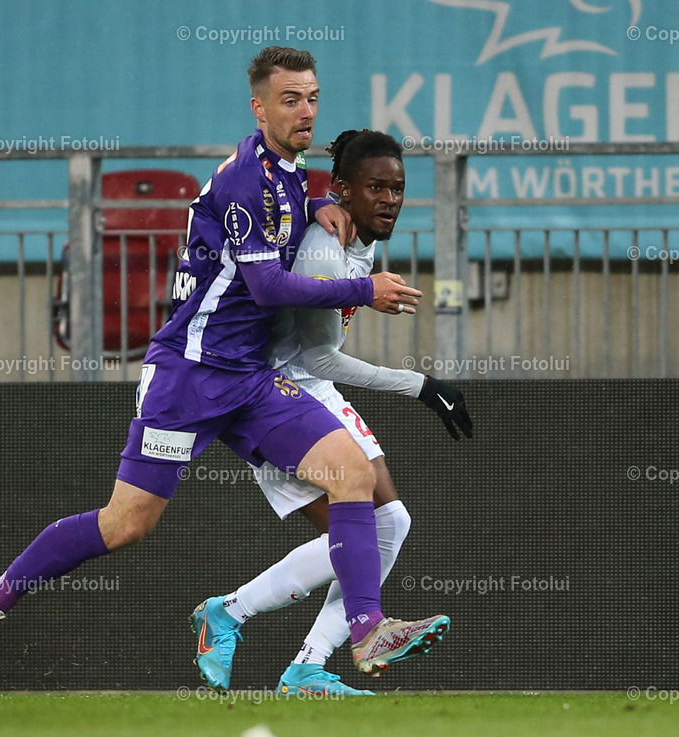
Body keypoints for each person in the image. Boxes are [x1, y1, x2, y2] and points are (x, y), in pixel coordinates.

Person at [0, 46, 448, 679]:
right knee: (125, 525)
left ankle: (368, 630)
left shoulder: (289, 173)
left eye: (312, 98)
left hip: (251, 379)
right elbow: (267, 287)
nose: (306, 111)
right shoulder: (246, 179)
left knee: (352, 474)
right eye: (290, 100)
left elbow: (285, 215)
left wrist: (320, 203)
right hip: (189, 376)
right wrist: (363, 288)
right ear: (259, 108)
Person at [191, 129, 473, 695]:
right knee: (363, 531)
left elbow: (318, 360)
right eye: (376, 187)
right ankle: (238, 617)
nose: (390, 199)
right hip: (274, 396)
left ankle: (303, 663)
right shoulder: (325, 246)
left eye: (397, 188)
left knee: (390, 523)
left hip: (313, 388)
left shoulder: (357, 238)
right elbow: (318, 355)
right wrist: (419, 385)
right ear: (344, 188)